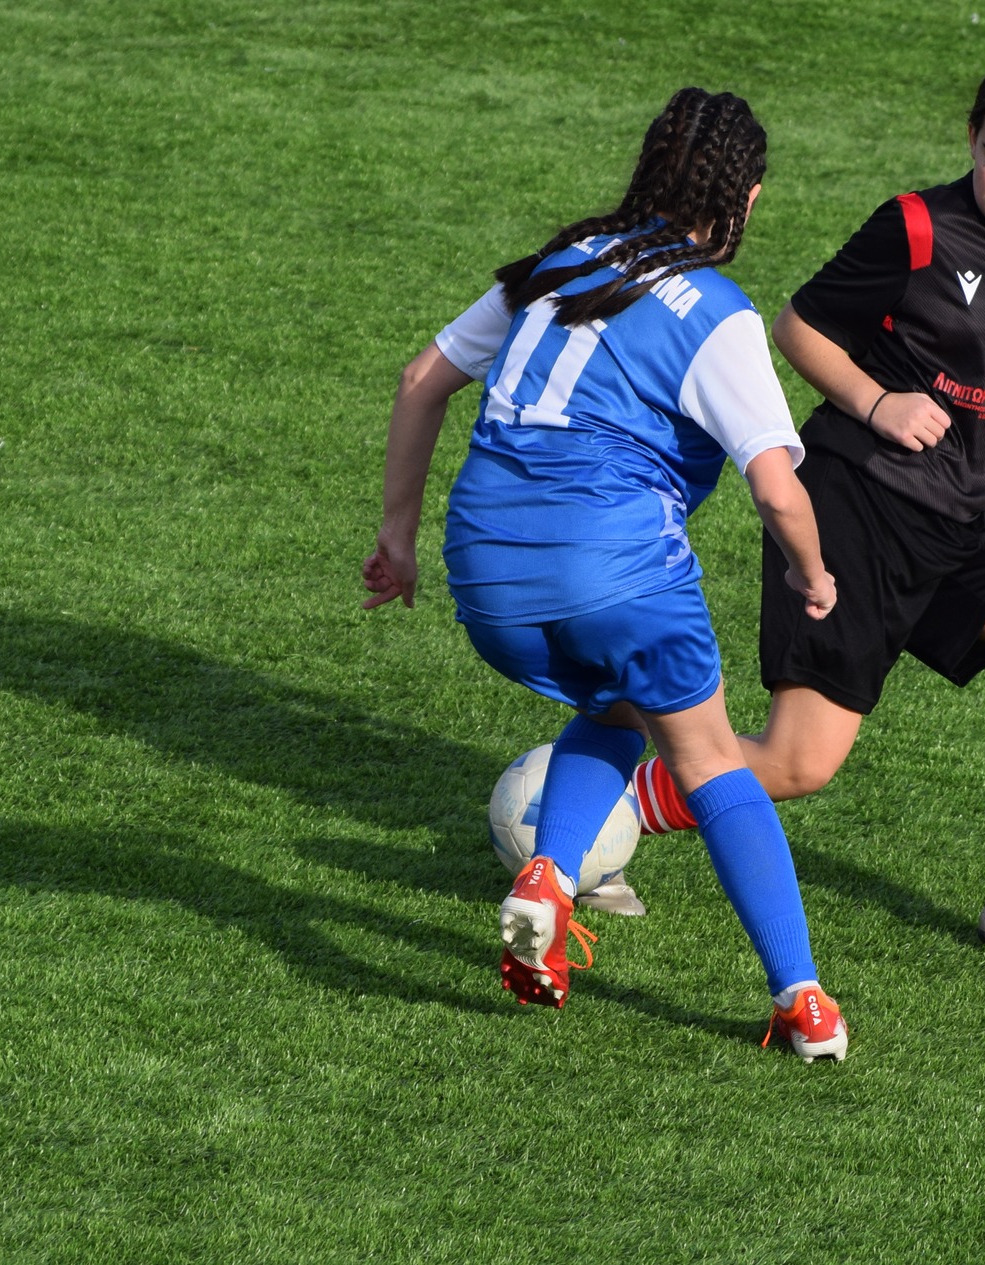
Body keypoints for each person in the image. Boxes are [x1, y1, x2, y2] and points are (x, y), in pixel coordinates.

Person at [627, 52, 985, 968]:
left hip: (958, 526)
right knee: (798, 762)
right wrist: (877, 402)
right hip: (856, 508)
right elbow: (799, 326)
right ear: (971, 138)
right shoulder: (917, 226)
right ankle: (589, 809)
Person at [360, 88, 848, 1060]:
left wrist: (397, 539)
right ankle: (801, 997)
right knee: (710, 759)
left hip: (485, 579)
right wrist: (815, 572)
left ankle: (547, 874)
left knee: (619, 704)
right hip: (612, 570)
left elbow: (421, 380)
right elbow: (776, 487)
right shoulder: (717, 314)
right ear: (746, 197)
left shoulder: (560, 264)